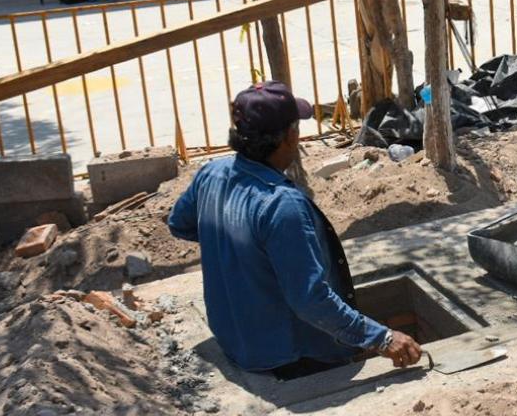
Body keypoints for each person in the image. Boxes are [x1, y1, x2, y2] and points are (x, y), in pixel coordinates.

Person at [168, 81, 423, 378]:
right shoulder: (281, 205)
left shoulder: (211, 173)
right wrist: (382, 337)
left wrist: (236, 248)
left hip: (236, 341)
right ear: (289, 137)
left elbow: (180, 224)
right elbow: (310, 300)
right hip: (290, 356)